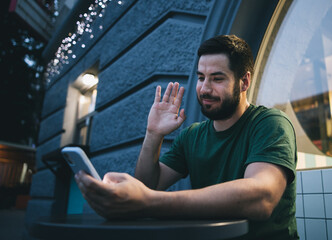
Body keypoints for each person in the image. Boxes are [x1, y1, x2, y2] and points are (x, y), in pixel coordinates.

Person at [75, 35, 299, 239]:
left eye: (217, 79)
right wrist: (153, 134)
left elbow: (262, 198)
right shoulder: (192, 136)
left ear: (244, 81)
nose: (204, 89)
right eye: (201, 77)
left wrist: (149, 202)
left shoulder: (270, 123)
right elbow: (148, 184)